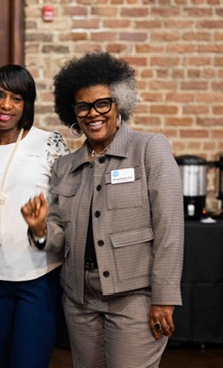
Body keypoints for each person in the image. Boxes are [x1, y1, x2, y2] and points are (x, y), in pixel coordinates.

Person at [21, 52, 184, 368]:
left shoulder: (149, 149)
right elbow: (60, 239)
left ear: (119, 104)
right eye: (83, 106)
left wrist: (164, 298)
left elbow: (170, 228)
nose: (93, 113)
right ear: (73, 112)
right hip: (80, 302)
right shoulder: (65, 167)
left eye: (102, 104)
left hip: (134, 301)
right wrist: (40, 228)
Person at [0, 64, 69, 367]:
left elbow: (66, 212)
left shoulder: (49, 144)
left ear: (26, 105)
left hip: (38, 276)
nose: (6, 105)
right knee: (2, 361)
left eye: (16, 98)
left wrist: (41, 226)